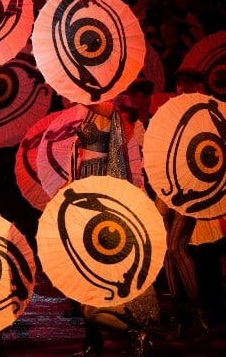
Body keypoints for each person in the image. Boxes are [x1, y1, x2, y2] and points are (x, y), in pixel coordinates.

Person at [71, 94, 160, 357]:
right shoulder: (88, 111)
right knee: (83, 264)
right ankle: (92, 338)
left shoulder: (107, 108)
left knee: (102, 257)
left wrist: (75, 88)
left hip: (100, 182)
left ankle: (131, 324)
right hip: (85, 181)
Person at [154, 68, 210, 341]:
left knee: (177, 247)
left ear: (198, 87)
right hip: (168, 184)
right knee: (167, 249)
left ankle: (196, 312)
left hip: (191, 187)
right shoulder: (174, 112)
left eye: (184, 88)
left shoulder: (209, 115)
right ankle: (181, 316)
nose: (179, 93)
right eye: (177, 88)